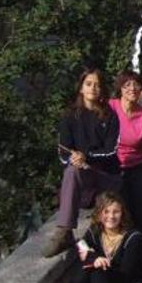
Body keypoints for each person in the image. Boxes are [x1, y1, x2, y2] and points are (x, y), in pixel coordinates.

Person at [43, 70, 122, 258]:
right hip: (82, 175)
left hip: (106, 177)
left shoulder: (110, 116)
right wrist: (74, 158)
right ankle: (65, 230)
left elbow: (111, 150)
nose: (93, 88)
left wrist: (86, 156)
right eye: (88, 84)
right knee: (71, 171)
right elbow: (62, 152)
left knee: (77, 170)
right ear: (81, 87)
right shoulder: (70, 116)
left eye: (97, 84)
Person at [108, 72, 142, 248]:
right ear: (120, 88)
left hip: (137, 165)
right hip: (114, 165)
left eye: (136, 85)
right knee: (118, 207)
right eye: (127, 85)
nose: (132, 89)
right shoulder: (110, 108)